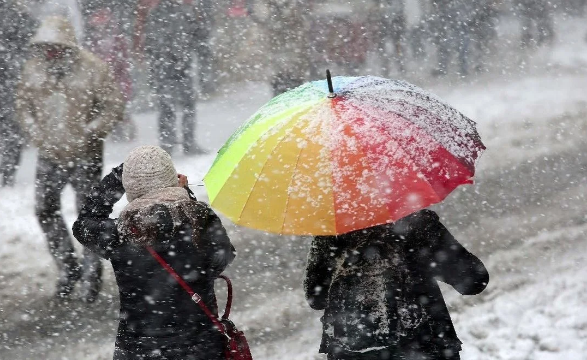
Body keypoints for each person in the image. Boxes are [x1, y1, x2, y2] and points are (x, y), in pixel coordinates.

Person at [73, 145, 235, 359]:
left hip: (139, 349)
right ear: (171, 177)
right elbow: (222, 258)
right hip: (201, 346)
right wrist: (187, 196)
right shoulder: (199, 219)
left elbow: (84, 223)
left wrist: (118, 176)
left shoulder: (121, 233)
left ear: (130, 185)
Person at [16, 16, 124, 302]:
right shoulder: (33, 70)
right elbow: (23, 107)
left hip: (85, 154)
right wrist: (36, 134)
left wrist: (91, 132)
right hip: (49, 154)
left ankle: (91, 273)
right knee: (44, 209)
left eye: (56, 47)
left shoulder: (93, 69)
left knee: (87, 215)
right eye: (46, 48)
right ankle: (67, 267)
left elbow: (113, 105)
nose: (51, 53)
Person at [304, 210, 489, 360]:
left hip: (349, 349)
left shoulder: (330, 233)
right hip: (423, 344)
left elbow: (315, 297)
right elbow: (473, 281)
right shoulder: (414, 222)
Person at [133, 0, 208, 155]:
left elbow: (197, 35)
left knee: (180, 105)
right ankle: (176, 143)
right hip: (168, 65)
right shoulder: (163, 12)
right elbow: (197, 36)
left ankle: (180, 142)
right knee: (172, 106)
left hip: (174, 65)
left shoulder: (183, 11)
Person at [0, 0, 37, 187]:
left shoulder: (21, 16)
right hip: (15, 80)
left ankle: (7, 172)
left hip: (13, 81)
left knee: (11, 130)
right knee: (12, 132)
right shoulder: (22, 15)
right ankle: (8, 173)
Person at [85, 7, 136, 142]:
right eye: (97, 26)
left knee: (120, 103)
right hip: (102, 80)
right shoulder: (93, 42)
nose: (100, 28)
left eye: (102, 25)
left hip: (118, 78)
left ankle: (124, 124)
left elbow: (124, 61)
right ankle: (114, 127)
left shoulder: (118, 40)